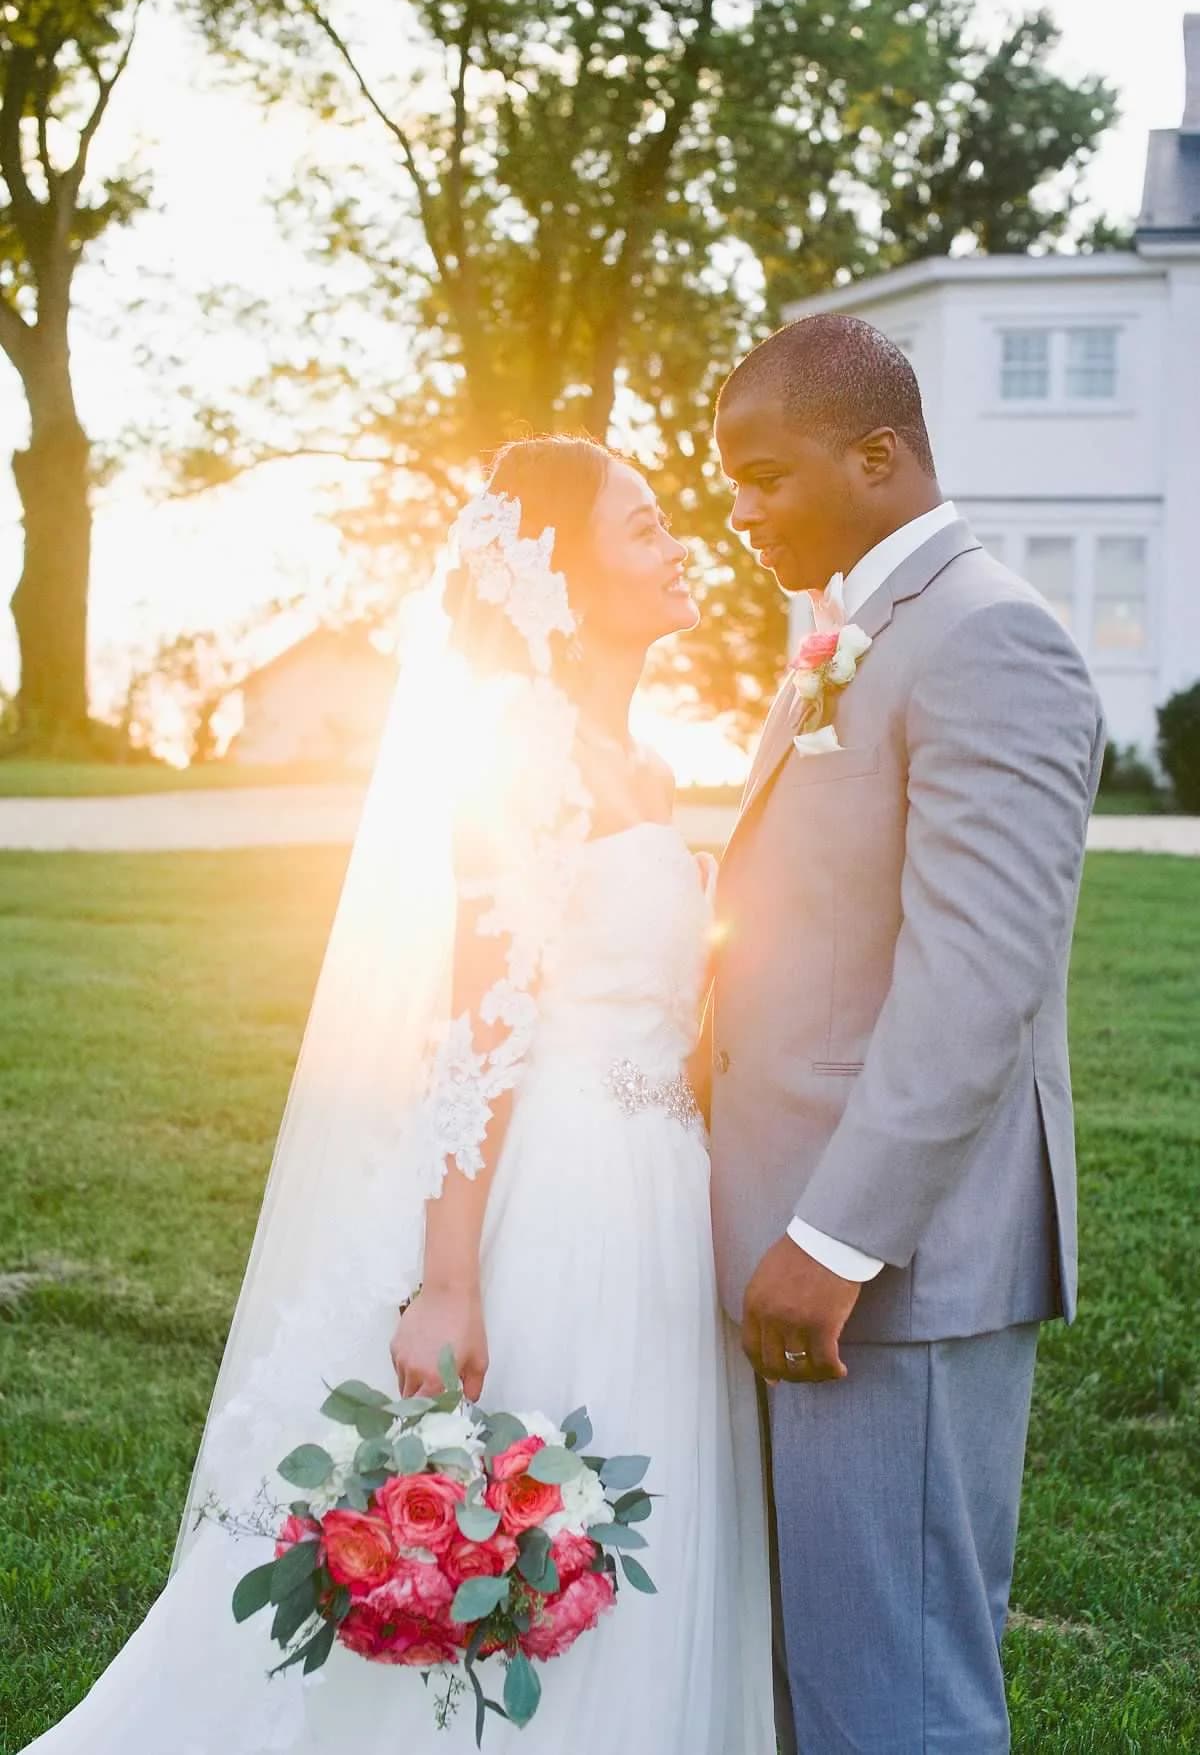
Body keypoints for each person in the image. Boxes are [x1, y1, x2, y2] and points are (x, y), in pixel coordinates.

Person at [23, 434, 774, 1754]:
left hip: (666, 1182)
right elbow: (477, 1025)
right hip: (566, 1192)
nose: (677, 545)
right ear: (559, 569)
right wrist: (449, 1279)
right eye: (644, 525)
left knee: (637, 1520)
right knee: (531, 1500)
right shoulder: (523, 749)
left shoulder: (635, 757)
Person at [708, 313, 1105, 1754]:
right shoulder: (850, 631)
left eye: (764, 477)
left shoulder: (989, 638)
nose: (741, 513)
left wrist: (837, 1240)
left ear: (878, 457)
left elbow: (976, 985)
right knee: (826, 1659)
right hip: (806, 1230)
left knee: (900, 1687)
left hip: (897, 1266)